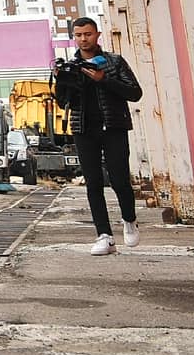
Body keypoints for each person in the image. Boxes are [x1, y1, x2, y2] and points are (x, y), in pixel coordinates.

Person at [61, 18, 144, 256]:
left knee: (119, 180)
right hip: (83, 130)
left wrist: (103, 79)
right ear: (74, 37)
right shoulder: (71, 65)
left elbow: (135, 93)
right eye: (78, 35)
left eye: (87, 34)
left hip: (114, 127)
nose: (83, 39)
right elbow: (62, 102)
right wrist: (62, 80)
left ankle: (129, 220)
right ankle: (104, 236)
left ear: (97, 35)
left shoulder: (114, 62)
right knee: (93, 183)